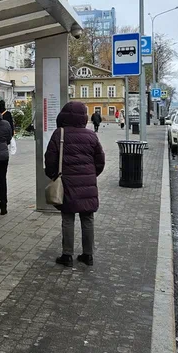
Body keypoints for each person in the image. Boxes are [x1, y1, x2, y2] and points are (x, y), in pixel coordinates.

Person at [45, 101, 105, 266]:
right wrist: (91, 175)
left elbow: (50, 159)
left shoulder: (60, 134)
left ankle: (67, 255)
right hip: (88, 183)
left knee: (68, 217)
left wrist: (53, 175)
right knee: (88, 218)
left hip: (67, 182)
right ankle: (88, 255)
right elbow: (100, 161)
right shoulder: (91, 135)